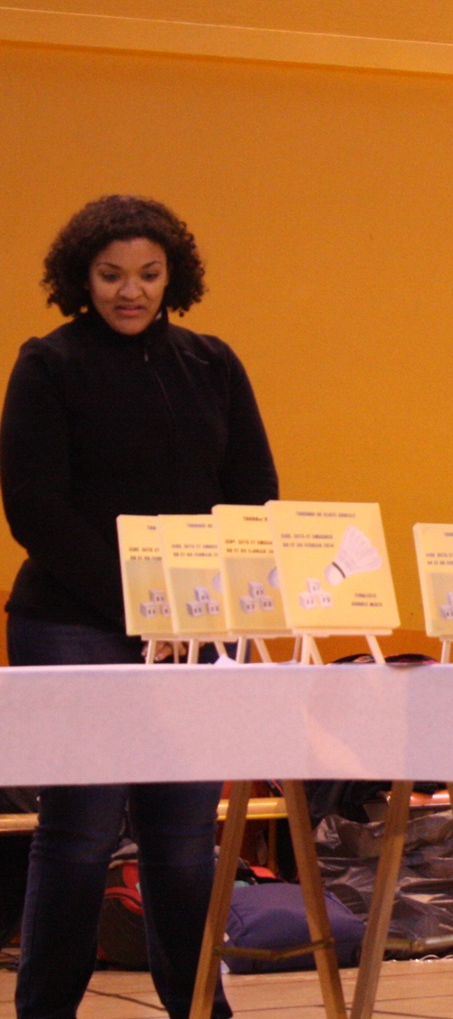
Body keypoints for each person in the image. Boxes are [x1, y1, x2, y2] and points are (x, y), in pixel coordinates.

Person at [1, 195, 279, 1019]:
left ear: (172, 278)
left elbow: (254, 492)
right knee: (80, 833)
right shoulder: (48, 364)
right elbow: (35, 508)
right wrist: (141, 604)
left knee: (184, 841)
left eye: (149, 275)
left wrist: (206, 601)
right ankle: (45, 1009)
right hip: (72, 622)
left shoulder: (212, 363)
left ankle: (198, 1008)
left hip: (195, 629)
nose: (132, 291)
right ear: (81, 279)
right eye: (112, 275)